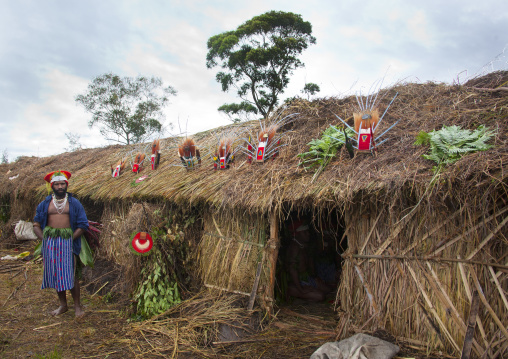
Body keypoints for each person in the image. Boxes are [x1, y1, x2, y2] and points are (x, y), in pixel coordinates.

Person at [33, 170, 89, 317]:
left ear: (66, 185)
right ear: (52, 186)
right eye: (57, 184)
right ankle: (63, 305)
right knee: (57, 274)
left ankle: (77, 307)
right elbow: (36, 224)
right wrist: (44, 239)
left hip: (68, 243)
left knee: (71, 274)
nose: (60, 187)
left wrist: (71, 239)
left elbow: (83, 225)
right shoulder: (45, 204)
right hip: (50, 243)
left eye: (62, 184)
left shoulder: (74, 203)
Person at [286, 220, 332, 302]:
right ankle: (297, 296)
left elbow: (308, 263)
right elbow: (292, 270)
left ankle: (305, 295)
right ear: (297, 234)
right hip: (297, 283)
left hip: (306, 278)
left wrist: (314, 277)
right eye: (305, 232)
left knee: (329, 290)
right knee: (320, 296)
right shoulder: (294, 248)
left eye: (308, 231)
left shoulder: (303, 246)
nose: (308, 234)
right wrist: (301, 289)